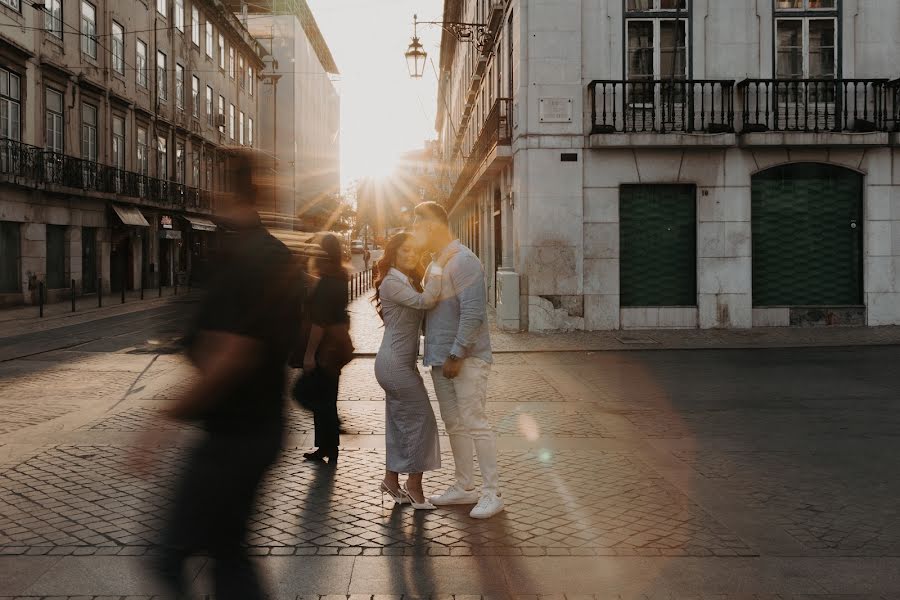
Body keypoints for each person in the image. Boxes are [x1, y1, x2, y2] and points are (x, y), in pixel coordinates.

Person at [149, 149, 302, 599]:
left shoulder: (251, 256)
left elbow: (235, 353)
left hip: (236, 435)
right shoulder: (257, 251)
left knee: (170, 554)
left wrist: (163, 419)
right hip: (250, 428)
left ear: (223, 187)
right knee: (227, 551)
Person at [412, 201, 504, 520]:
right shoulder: (437, 262)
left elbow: (473, 312)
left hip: (465, 358)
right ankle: (464, 486)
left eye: (417, 223)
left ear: (433, 224)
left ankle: (492, 492)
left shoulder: (464, 260)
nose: (414, 229)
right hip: (441, 358)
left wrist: (457, 352)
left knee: (475, 422)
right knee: (455, 425)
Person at [373, 232, 445, 510]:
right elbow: (425, 302)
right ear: (393, 254)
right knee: (423, 421)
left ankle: (391, 481)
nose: (411, 256)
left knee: (400, 423)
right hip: (393, 365)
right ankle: (414, 486)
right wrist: (437, 268)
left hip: (400, 364)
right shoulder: (392, 283)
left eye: (414, 252)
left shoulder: (403, 281)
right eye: (405, 252)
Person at [301, 233, 350, 464]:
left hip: (324, 350)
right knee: (327, 399)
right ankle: (328, 447)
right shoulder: (339, 277)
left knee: (313, 397)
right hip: (336, 349)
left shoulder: (328, 283)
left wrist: (310, 354)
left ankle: (329, 442)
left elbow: (319, 322)